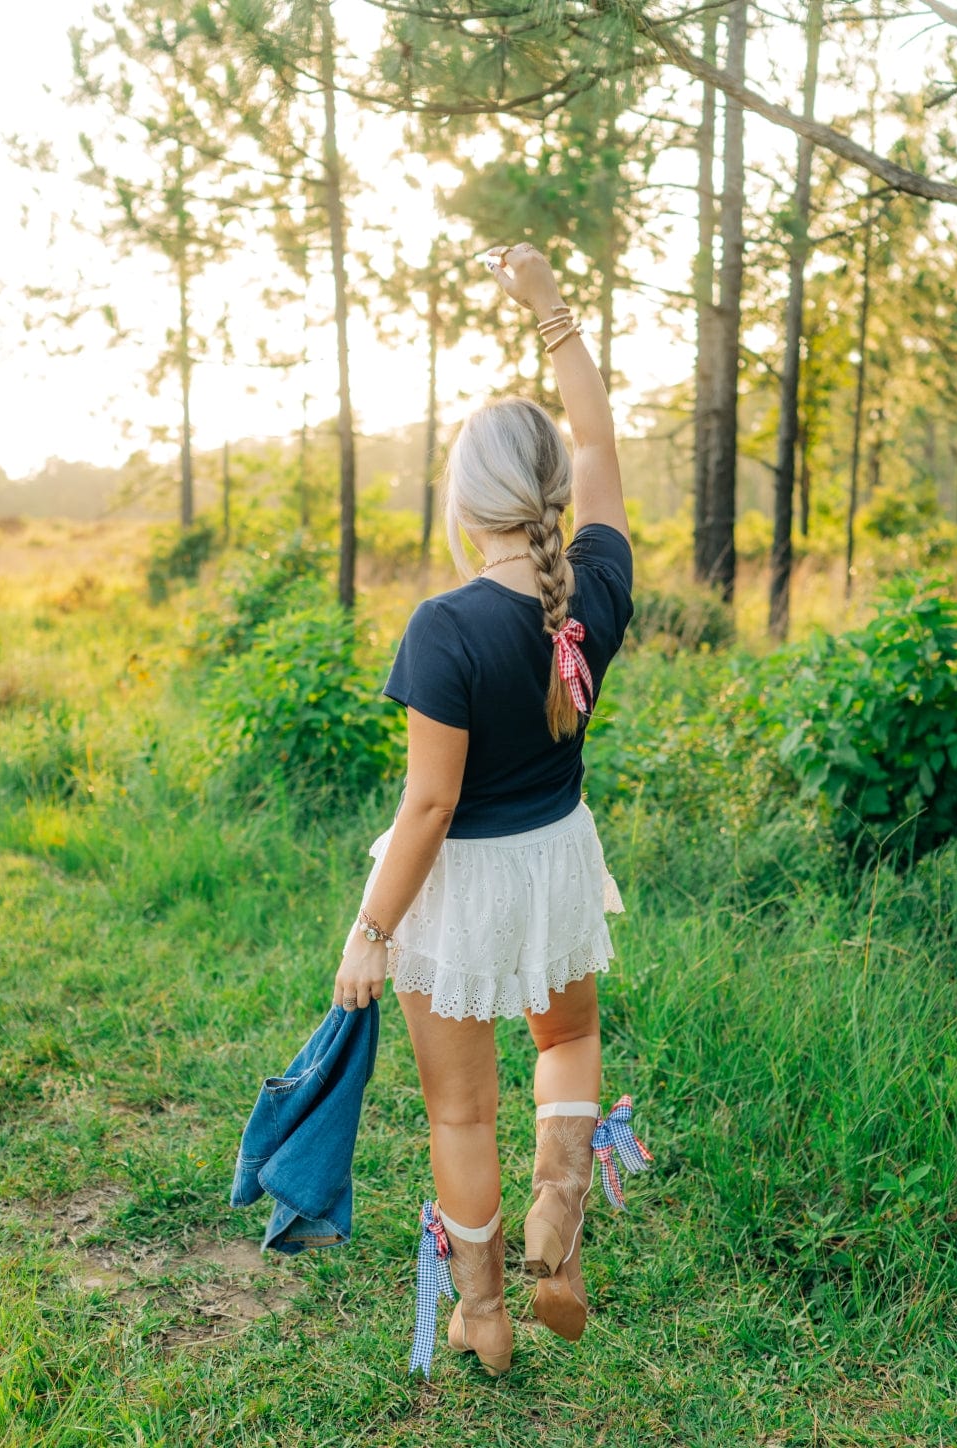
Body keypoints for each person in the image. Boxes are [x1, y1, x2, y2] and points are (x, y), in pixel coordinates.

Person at [332, 242, 635, 1377]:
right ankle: (562, 1209)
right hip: (558, 858)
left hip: (461, 884)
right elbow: (598, 441)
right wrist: (551, 308)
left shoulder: (442, 626)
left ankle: (485, 1313)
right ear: (551, 496)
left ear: (465, 501)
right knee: (566, 1036)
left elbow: (427, 806)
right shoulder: (592, 588)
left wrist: (370, 932)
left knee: (462, 1114)